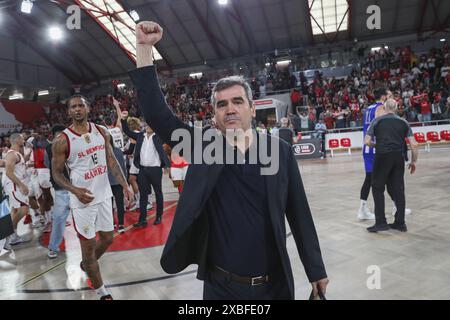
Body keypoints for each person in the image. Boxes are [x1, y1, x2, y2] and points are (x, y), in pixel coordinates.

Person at [129, 21, 328, 300]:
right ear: (214, 115)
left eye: (237, 101)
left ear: (252, 107)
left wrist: (315, 269)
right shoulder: (202, 147)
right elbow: (156, 114)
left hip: (273, 287)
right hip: (221, 287)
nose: (230, 109)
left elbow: (299, 213)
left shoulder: (279, 151)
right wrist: (144, 49)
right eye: (222, 104)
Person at [52, 94, 132, 300]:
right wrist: (75, 190)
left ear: (88, 109)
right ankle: (101, 292)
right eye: (73, 107)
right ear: (68, 112)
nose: (77, 109)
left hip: (104, 195)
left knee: (107, 239)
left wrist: (125, 185)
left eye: (81, 106)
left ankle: (86, 265)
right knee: (88, 250)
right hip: (82, 202)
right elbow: (57, 174)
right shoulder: (62, 140)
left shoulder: (102, 131)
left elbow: (111, 160)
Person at [365, 99, 419, 233]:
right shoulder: (404, 122)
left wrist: (378, 145)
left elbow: (367, 142)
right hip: (398, 158)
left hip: (382, 156)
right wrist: (413, 162)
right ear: (397, 108)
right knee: (399, 190)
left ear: (384, 107)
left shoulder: (376, 121)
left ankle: (381, 223)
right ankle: (400, 223)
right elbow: (414, 145)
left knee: (377, 188)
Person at [358, 89, 412, 221]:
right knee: (389, 179)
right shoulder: (381, 108)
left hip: (367, 148)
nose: (390, 97)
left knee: (369, 179)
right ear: (383, 97)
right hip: (378, 149)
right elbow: (383, 126)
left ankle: (362, 209)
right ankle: (396, 207)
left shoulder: (367, 109)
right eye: (388, 96)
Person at [120, 110, 170, 227]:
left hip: (155, 170)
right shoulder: (140, 136)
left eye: (150, 125)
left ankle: (158, 216)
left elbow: (167, 131)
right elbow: (126, 131)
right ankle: (142, 220)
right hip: (142, 170)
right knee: (143, 195)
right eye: (146, 124)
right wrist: (123, 120)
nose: (148, 126)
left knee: (158, 193)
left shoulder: (159, 136)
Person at [2, 133, 31, 248]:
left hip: (16, 185)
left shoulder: (17, 154)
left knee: (14, 211)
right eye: (22, 138)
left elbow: (18, 165)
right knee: (24, 209)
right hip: (15, 186)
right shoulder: (12, 154)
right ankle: (6, 237)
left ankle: (12, 237)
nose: (23, 139)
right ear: (17, 140)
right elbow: (9, 172)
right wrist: (21, 185)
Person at [45, 124, 69, 259]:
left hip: (72, 187)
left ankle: (53, 247)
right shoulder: (49, 148)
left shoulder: (49, 148)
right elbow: (49, 165)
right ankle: (53, 247)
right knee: (59, 218)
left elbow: (48, 165)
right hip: (63, 188)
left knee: (60, 219)